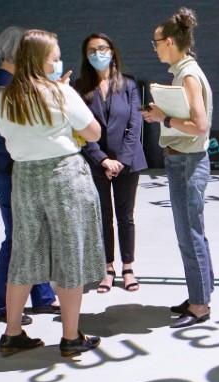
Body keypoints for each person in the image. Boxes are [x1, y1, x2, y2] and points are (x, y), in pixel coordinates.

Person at [0, 29, 104, 357]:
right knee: (70, 254)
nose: (58, 63)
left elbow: (8, 133)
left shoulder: (4, 96)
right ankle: (70, 337)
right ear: (41, 60)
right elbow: (93, 132)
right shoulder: (60, 93)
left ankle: (12, 332)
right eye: (54, 58)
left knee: (24, 254)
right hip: (65, 176)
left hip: (24, 178)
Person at [142, 7, 215, 328]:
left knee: (189, 235)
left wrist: (164, 119)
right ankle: (201, 294)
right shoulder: (185, 71)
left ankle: (200, 304)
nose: (155, 47)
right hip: (185, 160)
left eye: (156, 42)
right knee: (193, 232)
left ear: (170, 41)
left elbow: (199, 125)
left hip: (187, 162)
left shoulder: (187, 75)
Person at [0, 25, 59, 325]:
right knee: (16, 237)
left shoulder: (11, 82)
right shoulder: (3, 86)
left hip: (18, 167)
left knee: (34, 235)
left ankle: (41, 296)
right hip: (10, 168)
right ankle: (6, 305)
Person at [74, 32, 148, 294]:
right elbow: (79, 129)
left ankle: (128, 267)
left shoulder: (128, 85)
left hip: (129, 163)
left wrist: (120, 161)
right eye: (92, 50)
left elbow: (134, 124)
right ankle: (107, 268)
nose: (98, 54)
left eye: (102, 48)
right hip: (96, 164)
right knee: (103, 217)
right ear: (86, 56)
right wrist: (103, 159)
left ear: (113, 52)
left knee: (125, 216)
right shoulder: (78, 87)